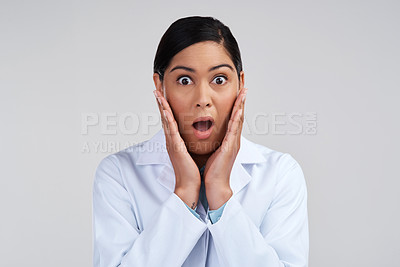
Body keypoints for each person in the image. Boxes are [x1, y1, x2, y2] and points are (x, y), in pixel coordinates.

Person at [93, 16, 309, 267]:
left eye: (219, 79)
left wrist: (220, 193)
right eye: (185, 80)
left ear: (240, 84)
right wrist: (184, 192)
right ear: (160, 86)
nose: (203, 99)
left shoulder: (281, 173)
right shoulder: (119, 173)